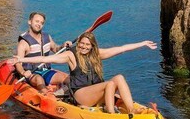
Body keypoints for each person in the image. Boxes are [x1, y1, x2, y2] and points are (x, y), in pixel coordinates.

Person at [12, 32, 157, 114]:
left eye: (87, 45)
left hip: (96, 93)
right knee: (110, 84)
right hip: (81, 95)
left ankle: (131, 109)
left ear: (92, 46)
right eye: (81, 43)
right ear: (78, 43)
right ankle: (110, 114)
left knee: (119, 77)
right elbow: (46, 58)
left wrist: (142, 43)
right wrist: (21, 58)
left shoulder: (97, 54)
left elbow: (122, 48)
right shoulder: (71, 55)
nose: (83, 47)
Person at [13, 12, 71, 95]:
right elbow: (18, 63)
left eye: (41, 23)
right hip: (31, 73)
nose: (39, 24)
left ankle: (63, 94)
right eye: (37, 21)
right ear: (30, 22)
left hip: (45, 71)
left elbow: (55, 49)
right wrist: (23, 73)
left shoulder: (47, 37)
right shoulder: (23, 42)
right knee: (39, 79)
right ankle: (46, 95)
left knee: (67, 78)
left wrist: (63, 45)